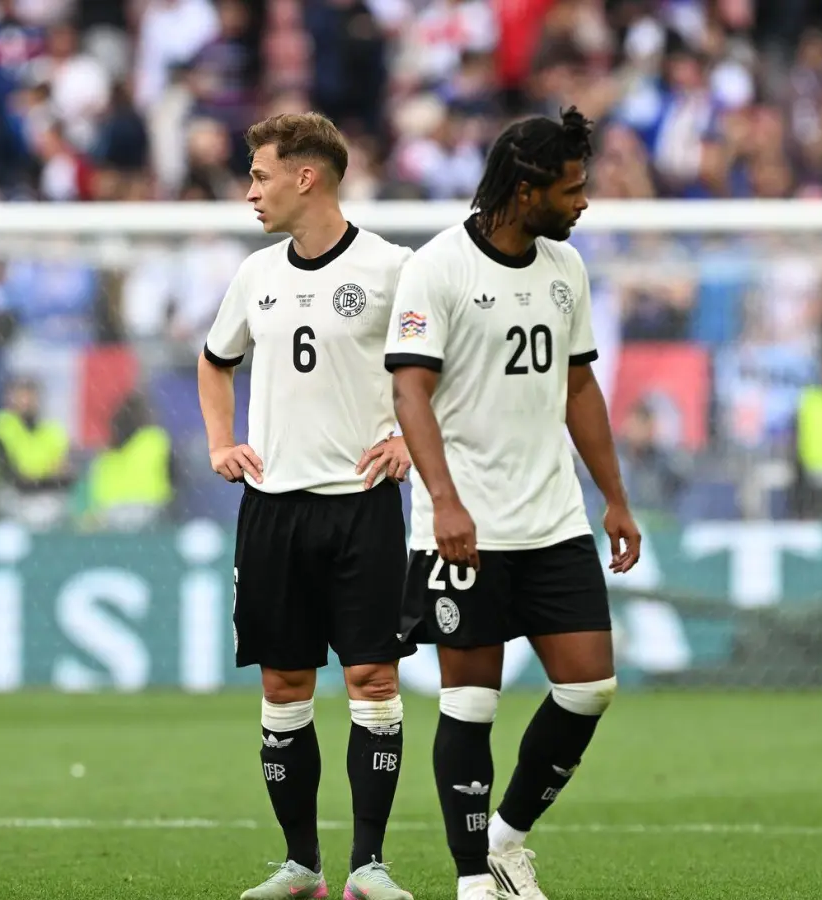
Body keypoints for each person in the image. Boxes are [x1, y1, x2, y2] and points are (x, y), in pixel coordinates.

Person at [383, 108, 642, 900]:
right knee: (470, 702)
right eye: (571, 189)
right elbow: (409, 391)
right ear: (524, 189)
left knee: (590, 685)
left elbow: (579, 386)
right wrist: (445, 502)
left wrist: (615, 497)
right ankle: (472, 882)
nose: (583, 202)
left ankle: (507, 836)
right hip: (464, 527)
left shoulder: (566, 268)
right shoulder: (438, 269)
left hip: (552, 517)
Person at [198, 112, 416, 900]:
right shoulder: (256, 275)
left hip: (361, 506)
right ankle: (302, 866)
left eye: (259, 174)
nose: (250, 190)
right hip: (274, 509)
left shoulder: (394, 269)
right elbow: (215, 361)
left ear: (306, 176)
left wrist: (412, 443)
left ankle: (369, 866)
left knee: (372, 678)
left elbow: (444, 365)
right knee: (284, 687)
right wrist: (222, 443)